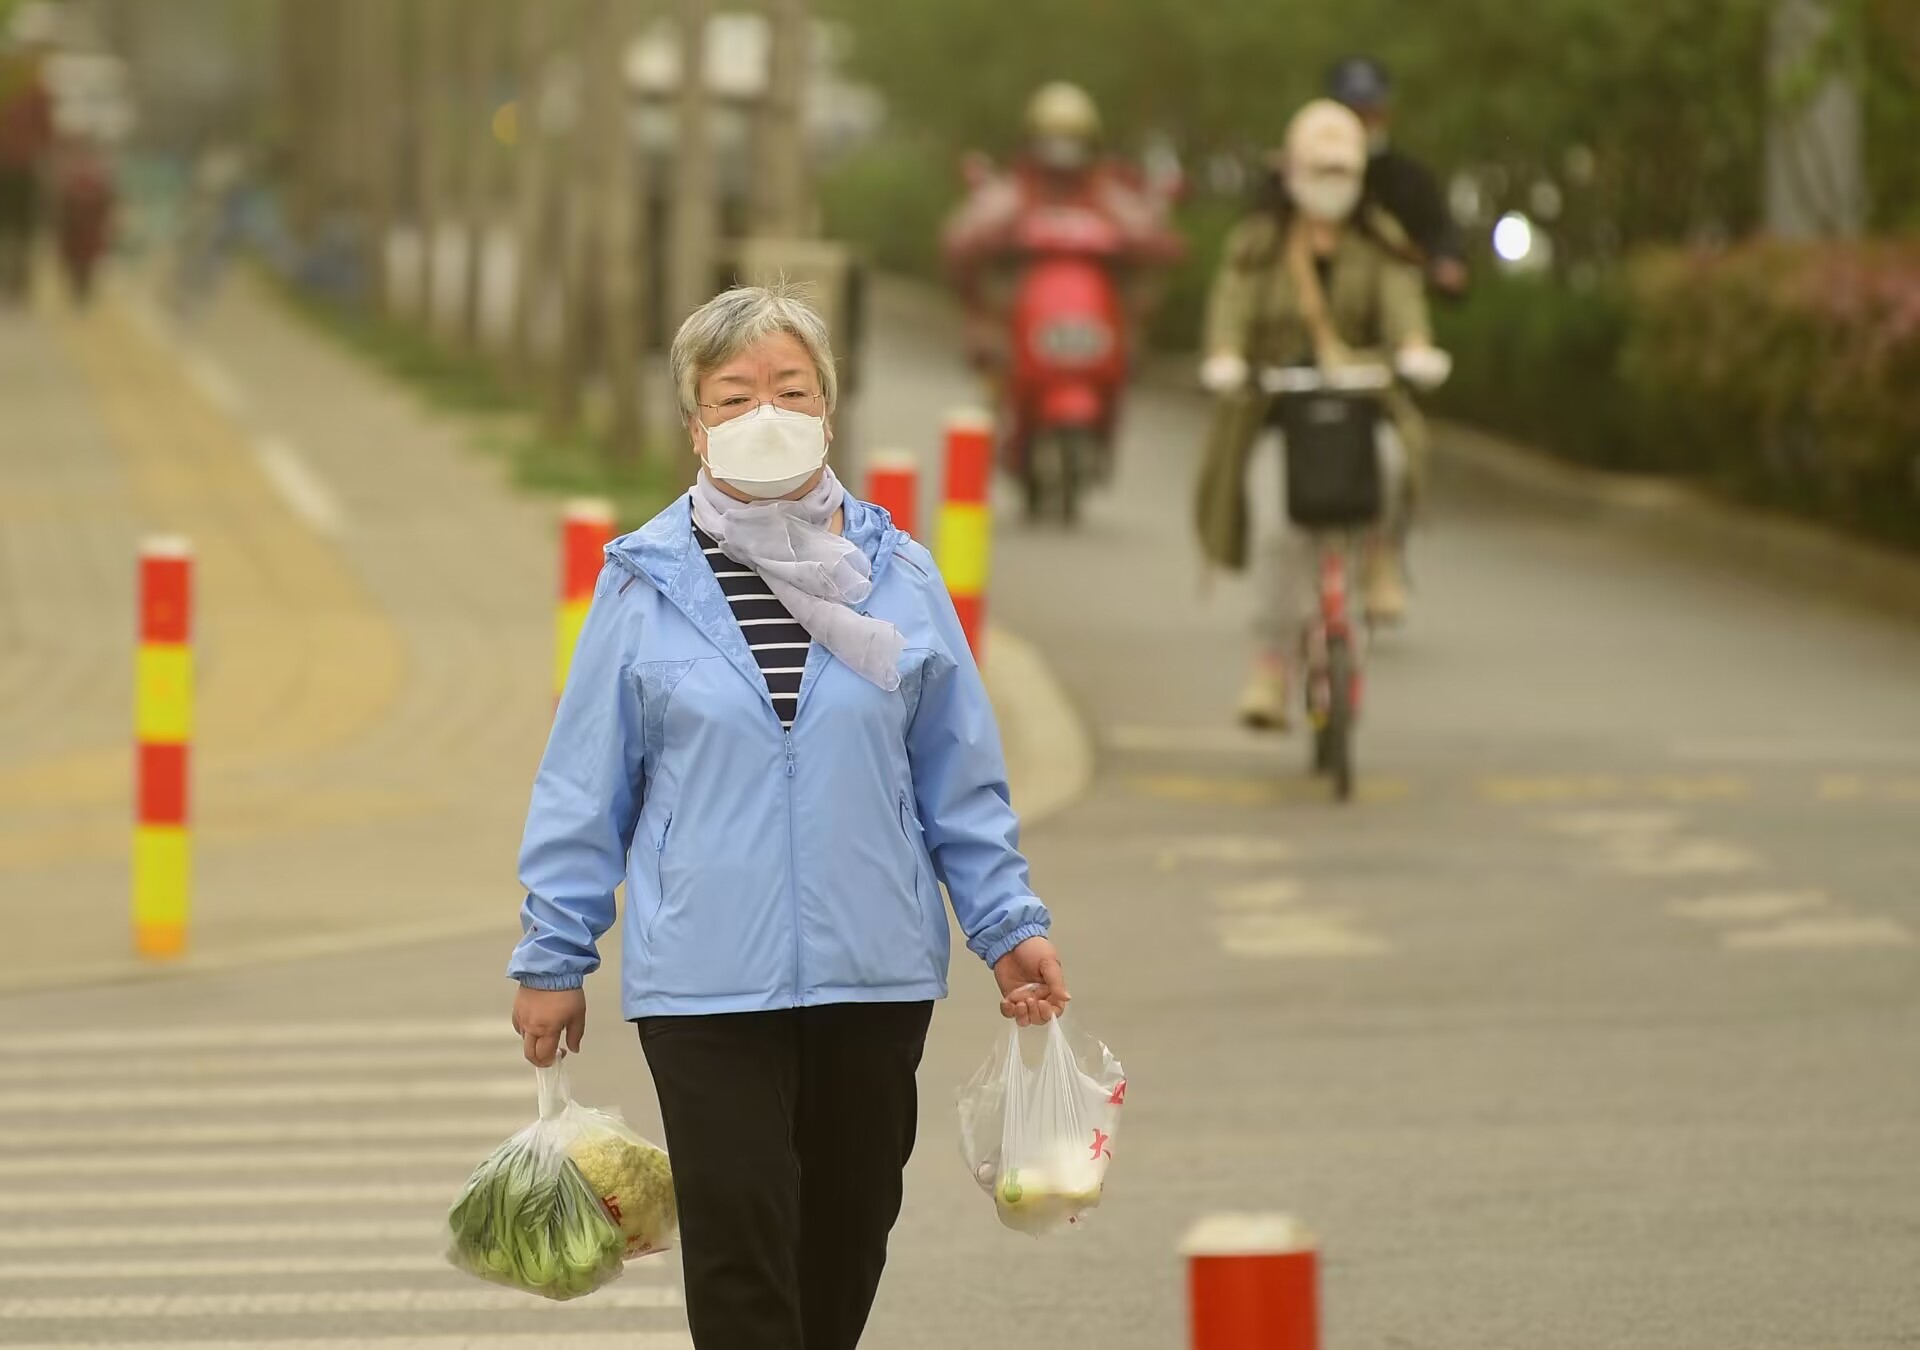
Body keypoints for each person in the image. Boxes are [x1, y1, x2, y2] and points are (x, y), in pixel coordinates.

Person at [508, 284, 1071, 1350]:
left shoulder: (897, 576)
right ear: (695, 423)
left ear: (829, 406)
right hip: (705, 982)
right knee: (740, 1246)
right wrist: (553, 952)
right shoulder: (644, 585)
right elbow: (585, 786)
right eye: (733, 395)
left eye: (789, 389)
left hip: (875, 971)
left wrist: (1007, 927)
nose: (764, 413)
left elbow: (961, 781)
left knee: (845, 1241)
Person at [1194, 100, 1448, 729]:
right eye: (1320, 171)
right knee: (1280, 533)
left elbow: (1404, 307)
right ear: (1292, 174)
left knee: (1396, 460)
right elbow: (1230, 309)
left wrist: (1415, 351)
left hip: (1362, 405)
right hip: (1280, 411)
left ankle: (1382, 556)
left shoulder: (1380, 241)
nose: (1330, 186)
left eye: (1342, 173)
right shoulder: (1258, 245)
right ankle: (1270, 667)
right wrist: (1226, 358)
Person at [941, 81, 1182, 468]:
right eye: (1053, 137)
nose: (1062, 151)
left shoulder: (1108, 193)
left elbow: (1155, 241)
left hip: (1095, 325)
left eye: (1073, 138)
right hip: (1022, 317)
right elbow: (964, 240)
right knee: (993, 357)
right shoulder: (1015, 192)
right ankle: (1001, 413)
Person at [1326, 56, 1469, 300]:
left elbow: (1441, 236)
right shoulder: (1306, 175)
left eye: (1369, 112)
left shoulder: (1410, 179)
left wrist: (1447, 263)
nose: (1362, 122)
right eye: (1354, 113)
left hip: (1395, 312)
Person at [0, 34, 53, 306]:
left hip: (21, 168)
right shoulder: (30, 90)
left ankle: (17, 282)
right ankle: (14, 281)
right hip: (13, 168)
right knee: (16, 228)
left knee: (19, 228)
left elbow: (47, 133)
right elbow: (47, 134)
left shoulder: (36, 91)